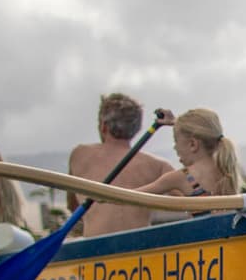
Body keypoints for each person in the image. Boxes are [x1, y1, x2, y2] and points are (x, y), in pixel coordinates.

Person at [68, 92, 171, 236]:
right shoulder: (159, 166)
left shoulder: (79, 155)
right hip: (140, 247)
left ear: (103, 126)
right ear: (136, 129)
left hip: (96, 248)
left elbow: (73, 207)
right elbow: (193, 200)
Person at [132, 108, 244, 210]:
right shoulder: (226, 169)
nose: (175, 147)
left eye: (176, 142)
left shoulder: (182, 177)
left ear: (193, 144)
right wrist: (179, 123)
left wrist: (113, 193)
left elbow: (130, 197)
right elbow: (204, 131)